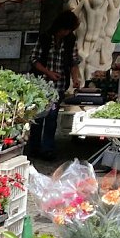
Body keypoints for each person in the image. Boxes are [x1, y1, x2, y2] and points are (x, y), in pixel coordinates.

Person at [29, 10, 82, 160]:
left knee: (52, 118)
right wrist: (48, 72)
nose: (66, 32)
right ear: (60, 26)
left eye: (69, 30)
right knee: (37, 117)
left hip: (59, 87)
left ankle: (48, 149)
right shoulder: (45, 38)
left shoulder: (71, 40)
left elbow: (73, 63)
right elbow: (34, 60)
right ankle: (34, 148)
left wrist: (75, 78)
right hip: (40, 85)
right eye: (66, 29)